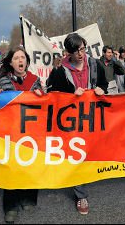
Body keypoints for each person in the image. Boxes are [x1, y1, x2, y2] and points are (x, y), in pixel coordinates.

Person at [47, 33, 108, 215]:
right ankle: (81, 195)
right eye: (76, 51)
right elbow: (54, 94)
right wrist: (72, 94)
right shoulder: (60, 70)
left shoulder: (95, 64)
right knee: (76, 155)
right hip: (71, 120)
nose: (80, 53)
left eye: (82, 49)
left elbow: (105, 84)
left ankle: (86, 178)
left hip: (93, 118)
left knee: (92, 153)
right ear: (68, 52)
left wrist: (101, 89)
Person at [0, 45, 44, 224]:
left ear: (27, 61)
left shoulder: (35, 80)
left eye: (23, 58)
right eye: (16, 58)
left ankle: (28, 198)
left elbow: (45, 104)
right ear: (11, 62)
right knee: (12, 169)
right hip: (11, 133)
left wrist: (41, 95)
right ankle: (11, 206)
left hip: (31, 132)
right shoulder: (4, 82)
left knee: (30, 165)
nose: (20, 61)